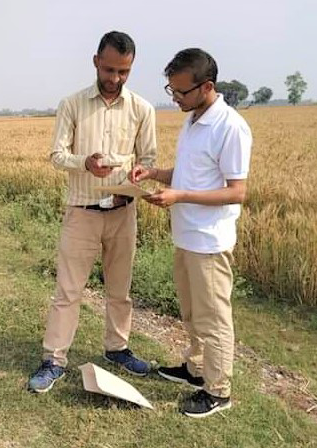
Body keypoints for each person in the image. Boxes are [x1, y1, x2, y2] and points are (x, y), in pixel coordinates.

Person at [28, 31, 157, 393]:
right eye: (110, 69)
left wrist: (137, 176)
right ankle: (53, 359)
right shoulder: (71, 105)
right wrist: (84, 162)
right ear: (96, 61)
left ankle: (117, 349)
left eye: (124, 71)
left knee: (121, 289)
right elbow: (57, 156)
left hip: (122, 213)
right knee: (68, 291)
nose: (115, 78)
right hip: (81, 212)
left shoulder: (142, 109)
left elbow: (148, 160)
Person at [130, 48, 252, 418]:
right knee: (191, 312)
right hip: (186, 235)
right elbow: (188, 172)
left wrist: (180, 195)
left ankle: (218, 390)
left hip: (210, 242)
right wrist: (153, 174)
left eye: (181, 92)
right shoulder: (194, 118)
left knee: (213, 317)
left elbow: (237, 191)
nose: (175, 99)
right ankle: (195, 369)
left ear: (206, 86)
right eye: (171, 91)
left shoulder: (230, 126)